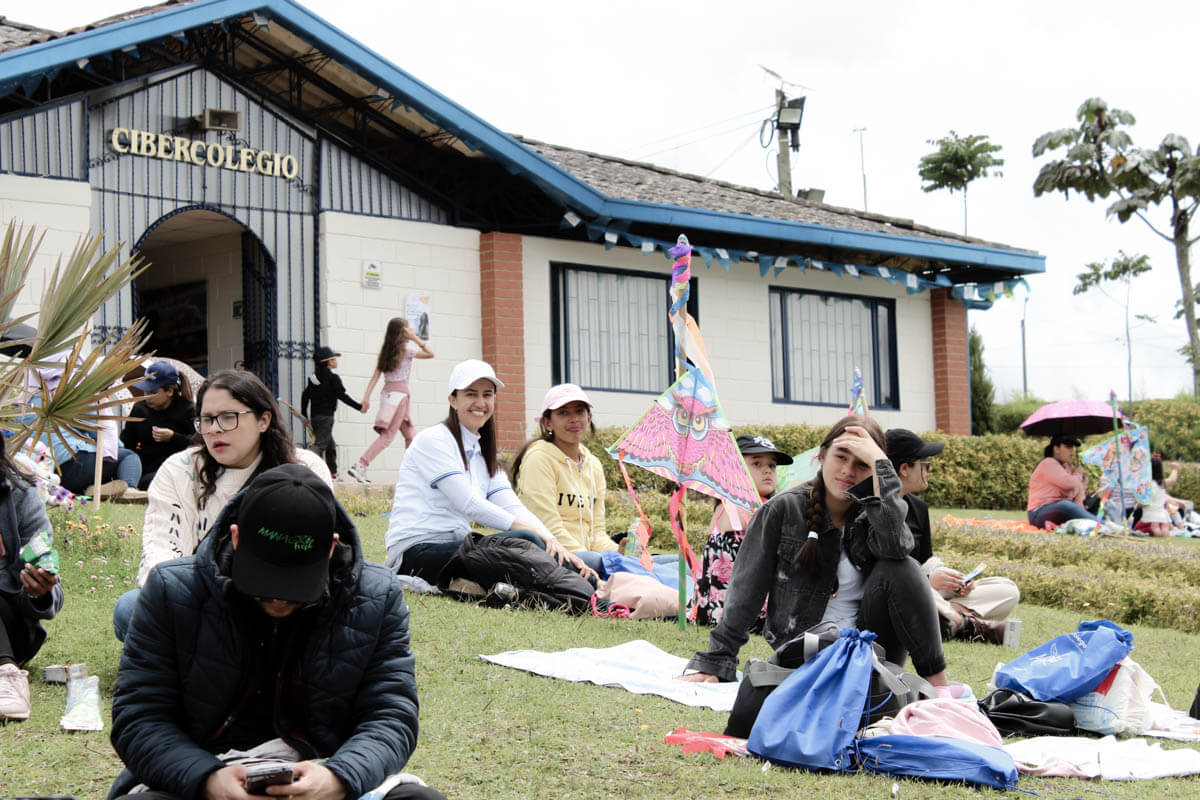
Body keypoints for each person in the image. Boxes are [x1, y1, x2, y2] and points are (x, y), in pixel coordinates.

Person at [108, 464, 446, 800]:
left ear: (330, 548)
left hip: (323, 771)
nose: (279, 597)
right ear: (237, 538)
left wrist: (338, 777)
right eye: (265, 578)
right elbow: (140, 718)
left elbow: (391, 715)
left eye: (296, 582)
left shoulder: (374, 595)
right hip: (204, 770)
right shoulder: (172, 591)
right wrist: (208, 780)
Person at [679, 415, 954, 694]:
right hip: (806, 652)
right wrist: (718, 659)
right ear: (821, 456)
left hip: (870, 653)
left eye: (862, 463)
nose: (847, 471)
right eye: (841, 457)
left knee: (904, 566)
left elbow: (898, 546)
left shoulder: (875, 515)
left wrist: (882, 468)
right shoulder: (782, 510)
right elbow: (746, 591)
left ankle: (939, 688)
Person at [111, 369, 331, 642]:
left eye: (229, 417)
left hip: (283, 600)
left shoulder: (305, 468)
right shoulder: (178, 471)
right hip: (200, 600)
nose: (215, 429)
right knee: (130, 609)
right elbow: (160, 553)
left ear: (263, 420)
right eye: (206, 419)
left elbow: (319, 555)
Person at [385, 359, 596, 585]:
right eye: (471, 394)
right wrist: (537, 535)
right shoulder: (434, 440)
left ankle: (583, 580)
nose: (480, 402)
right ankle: (582, 581)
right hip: (416, 553)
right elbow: (471, 505)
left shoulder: (483, 454)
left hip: (457, 546)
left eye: (487, 394)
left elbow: (512, 506)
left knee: (529, 545)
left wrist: (555, 542)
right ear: (453, 400)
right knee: (524, 540)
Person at [886, 428, 1018, 645]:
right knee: (910, 591)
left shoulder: (918, 508)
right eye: (925, 465)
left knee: (1007, 590)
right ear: (904, 469)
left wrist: (953, 580)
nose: (929, 470)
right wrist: (926, 580)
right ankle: (964, 624)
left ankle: (948, 618)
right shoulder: (875, 511)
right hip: (899, 593)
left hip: (930, 593)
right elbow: (883, 572)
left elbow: (926, 560)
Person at [511, 384, 614, 577]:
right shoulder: (539, 459)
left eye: (580, 411)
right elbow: (549, 529)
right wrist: (596, 560)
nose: (574, 419)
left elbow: (597, 533)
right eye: (563, 412)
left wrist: (618, 552)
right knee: (628, 567)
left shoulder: (594, 465)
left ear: (589, 417)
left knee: (668, 562)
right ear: (548, 423)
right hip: (553, 556)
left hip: (589, 557)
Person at [691, 434, 792, 627]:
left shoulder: (751, 505)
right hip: (741, 611)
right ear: (735, 470)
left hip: (718, 608)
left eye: (772, 465)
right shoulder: (738, 509)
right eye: (757, 464)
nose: (767, 471)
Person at [0, 437, 64, 722]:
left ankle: (6, 674)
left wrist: (40, 591)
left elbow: (50, 582)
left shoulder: (19, 495)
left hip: (10, 627)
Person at [347, 318, 433, 483]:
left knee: (410, 435)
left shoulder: (386, 351)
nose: (412, 329)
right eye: (408, 328)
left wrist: (366, 397)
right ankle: (361, 465)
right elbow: (431, 354)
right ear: (403, 332)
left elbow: (375, 377)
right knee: (387, 436)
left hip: (388, 395)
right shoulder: (407, 350)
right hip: (400, 396)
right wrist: (416, 339)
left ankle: (412, 473)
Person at [120, 361, 196, 490]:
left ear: (170, 391)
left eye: (153, 392)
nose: (147, 397)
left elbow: (199, 444)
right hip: (145, 469)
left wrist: (173, 437)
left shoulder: (187, 410)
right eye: (145, 392)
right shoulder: (140, 409)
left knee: (156, 481)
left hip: (178, 468)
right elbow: (127, 443)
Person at [300, 345, 363, 479]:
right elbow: (343, 396)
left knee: (330, 445)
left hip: (316, 417)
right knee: (320, 445)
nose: (336, 361)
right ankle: (301, 464)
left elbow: (305, 396)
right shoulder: (333, 379)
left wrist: (304, 415)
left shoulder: (313, 379)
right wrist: (359, 407)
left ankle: (332, 473)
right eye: (334, 359)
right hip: (326, 418)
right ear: (329, 362)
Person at [1027, 434, 1100, 528]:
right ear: (1056, 449)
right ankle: (1102, 526)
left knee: (1096, 501)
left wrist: (1081, 509)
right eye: (1068, 447)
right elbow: (1069, 484)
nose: (1072, 451)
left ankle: (1109, 524)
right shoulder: (1048, 463)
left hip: (1063, 509)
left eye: (1073, 447)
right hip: (1039, 512)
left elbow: (1077, 493)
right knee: (1065, 505)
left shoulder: (1069, 467)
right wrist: (1078, 475)